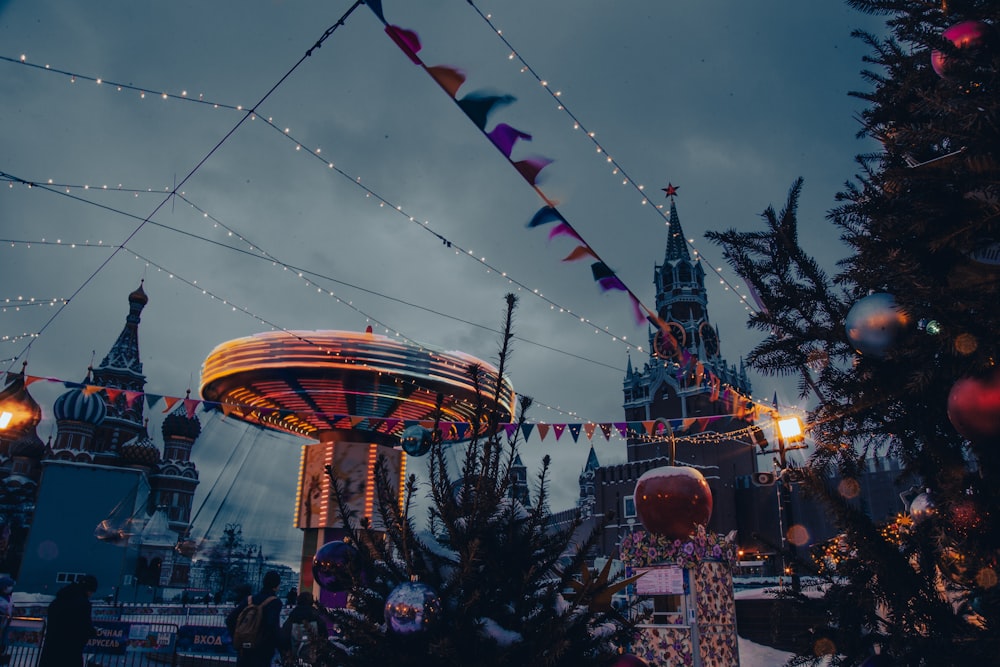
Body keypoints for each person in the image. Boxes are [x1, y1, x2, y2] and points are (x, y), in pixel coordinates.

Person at [38, 574, 98, 667]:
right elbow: (84, 626)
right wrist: (93, 632)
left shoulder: (58, 601)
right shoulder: (83, 604)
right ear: (88, 589)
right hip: (70, 649)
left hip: (51, 648)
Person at [226, 571, 282, 667]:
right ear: (276, 586)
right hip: (262, 651)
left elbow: (230, 619)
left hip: (244, 650)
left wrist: (239, 637)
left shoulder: (249, 600)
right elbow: (272, 626)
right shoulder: (274, 602)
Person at [280, 591, 325, 665]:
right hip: (313, 658)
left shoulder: (292, 618)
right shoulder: (317, 618)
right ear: (312, 602)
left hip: (294, 658)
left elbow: (283, 638)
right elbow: (324, 637)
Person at [0, 576, 14, 665]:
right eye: (9, 586)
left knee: (3, 645)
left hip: (5, 625)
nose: (11, 588)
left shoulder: (8, 597)